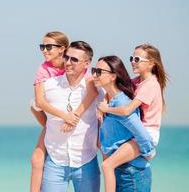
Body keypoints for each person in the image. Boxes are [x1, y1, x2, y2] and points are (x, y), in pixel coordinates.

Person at [30, 33, 98, 192]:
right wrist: (62, 118)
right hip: (54, 148)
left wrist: (73, 117)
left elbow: (95, 94)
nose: (44, 51)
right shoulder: (45, 75)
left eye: (48, 47)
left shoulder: (88, 79)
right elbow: (37, 103)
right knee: (37, 159)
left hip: (85, 159)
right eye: (42, 47)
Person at [97, 44, 168, 192]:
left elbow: (127, 110)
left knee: (107, 165)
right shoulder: (137, 81)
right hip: (138, 132)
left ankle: (148, 152)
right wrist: (104, 100)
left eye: (137, 59)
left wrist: (106, 108)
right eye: (131, 58)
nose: (132, 62)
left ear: (151, 63)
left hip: (147, 132)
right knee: (108, 164)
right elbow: (115, 85)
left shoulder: (150, 84)